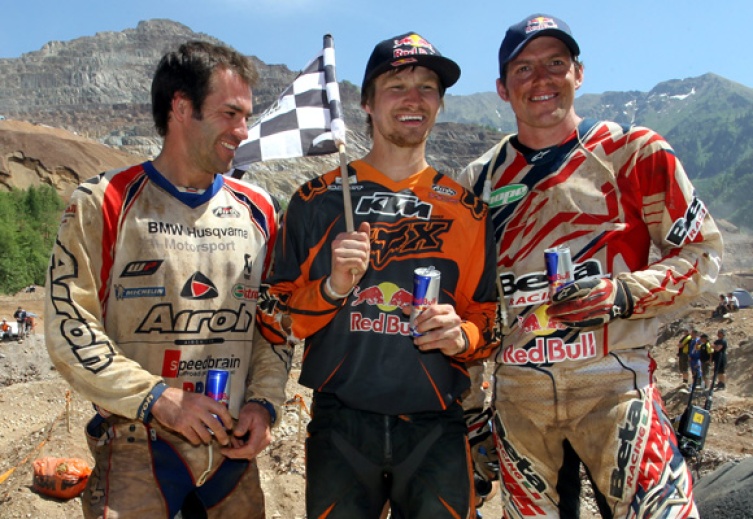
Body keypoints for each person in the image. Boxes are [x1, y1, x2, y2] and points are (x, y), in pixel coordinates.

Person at [458, 13, 723, 518]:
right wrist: (472, 417)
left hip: (617, 386)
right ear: (501, 88)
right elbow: (468, 305)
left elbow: (702, 256)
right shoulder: (479, 180)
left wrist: (623, 294)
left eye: (555, 63)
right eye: (523, 69)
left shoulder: (635, 151)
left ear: (579, 73)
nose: (541, 79)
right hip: (520, 395)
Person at [256, 32, 499, 519]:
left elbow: (490, 325)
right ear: (365, 102)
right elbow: (271, 318)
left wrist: (462, 335)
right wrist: (331, 289)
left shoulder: (470, 211)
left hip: (437, 426)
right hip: (341, 426)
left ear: (440, 103)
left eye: (427, 87)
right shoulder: (313, 200)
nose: (414, 99)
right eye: (396, 85)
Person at [45, 40, 291, 519]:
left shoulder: (260, 210)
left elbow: (274, 327)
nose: (243, 131)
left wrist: (263, 404)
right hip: (138, 444)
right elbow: (69, 329)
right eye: (230, 114)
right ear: (181, 107)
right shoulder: (104, 202)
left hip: (231, 452)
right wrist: (159, 398)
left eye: (246, 116)